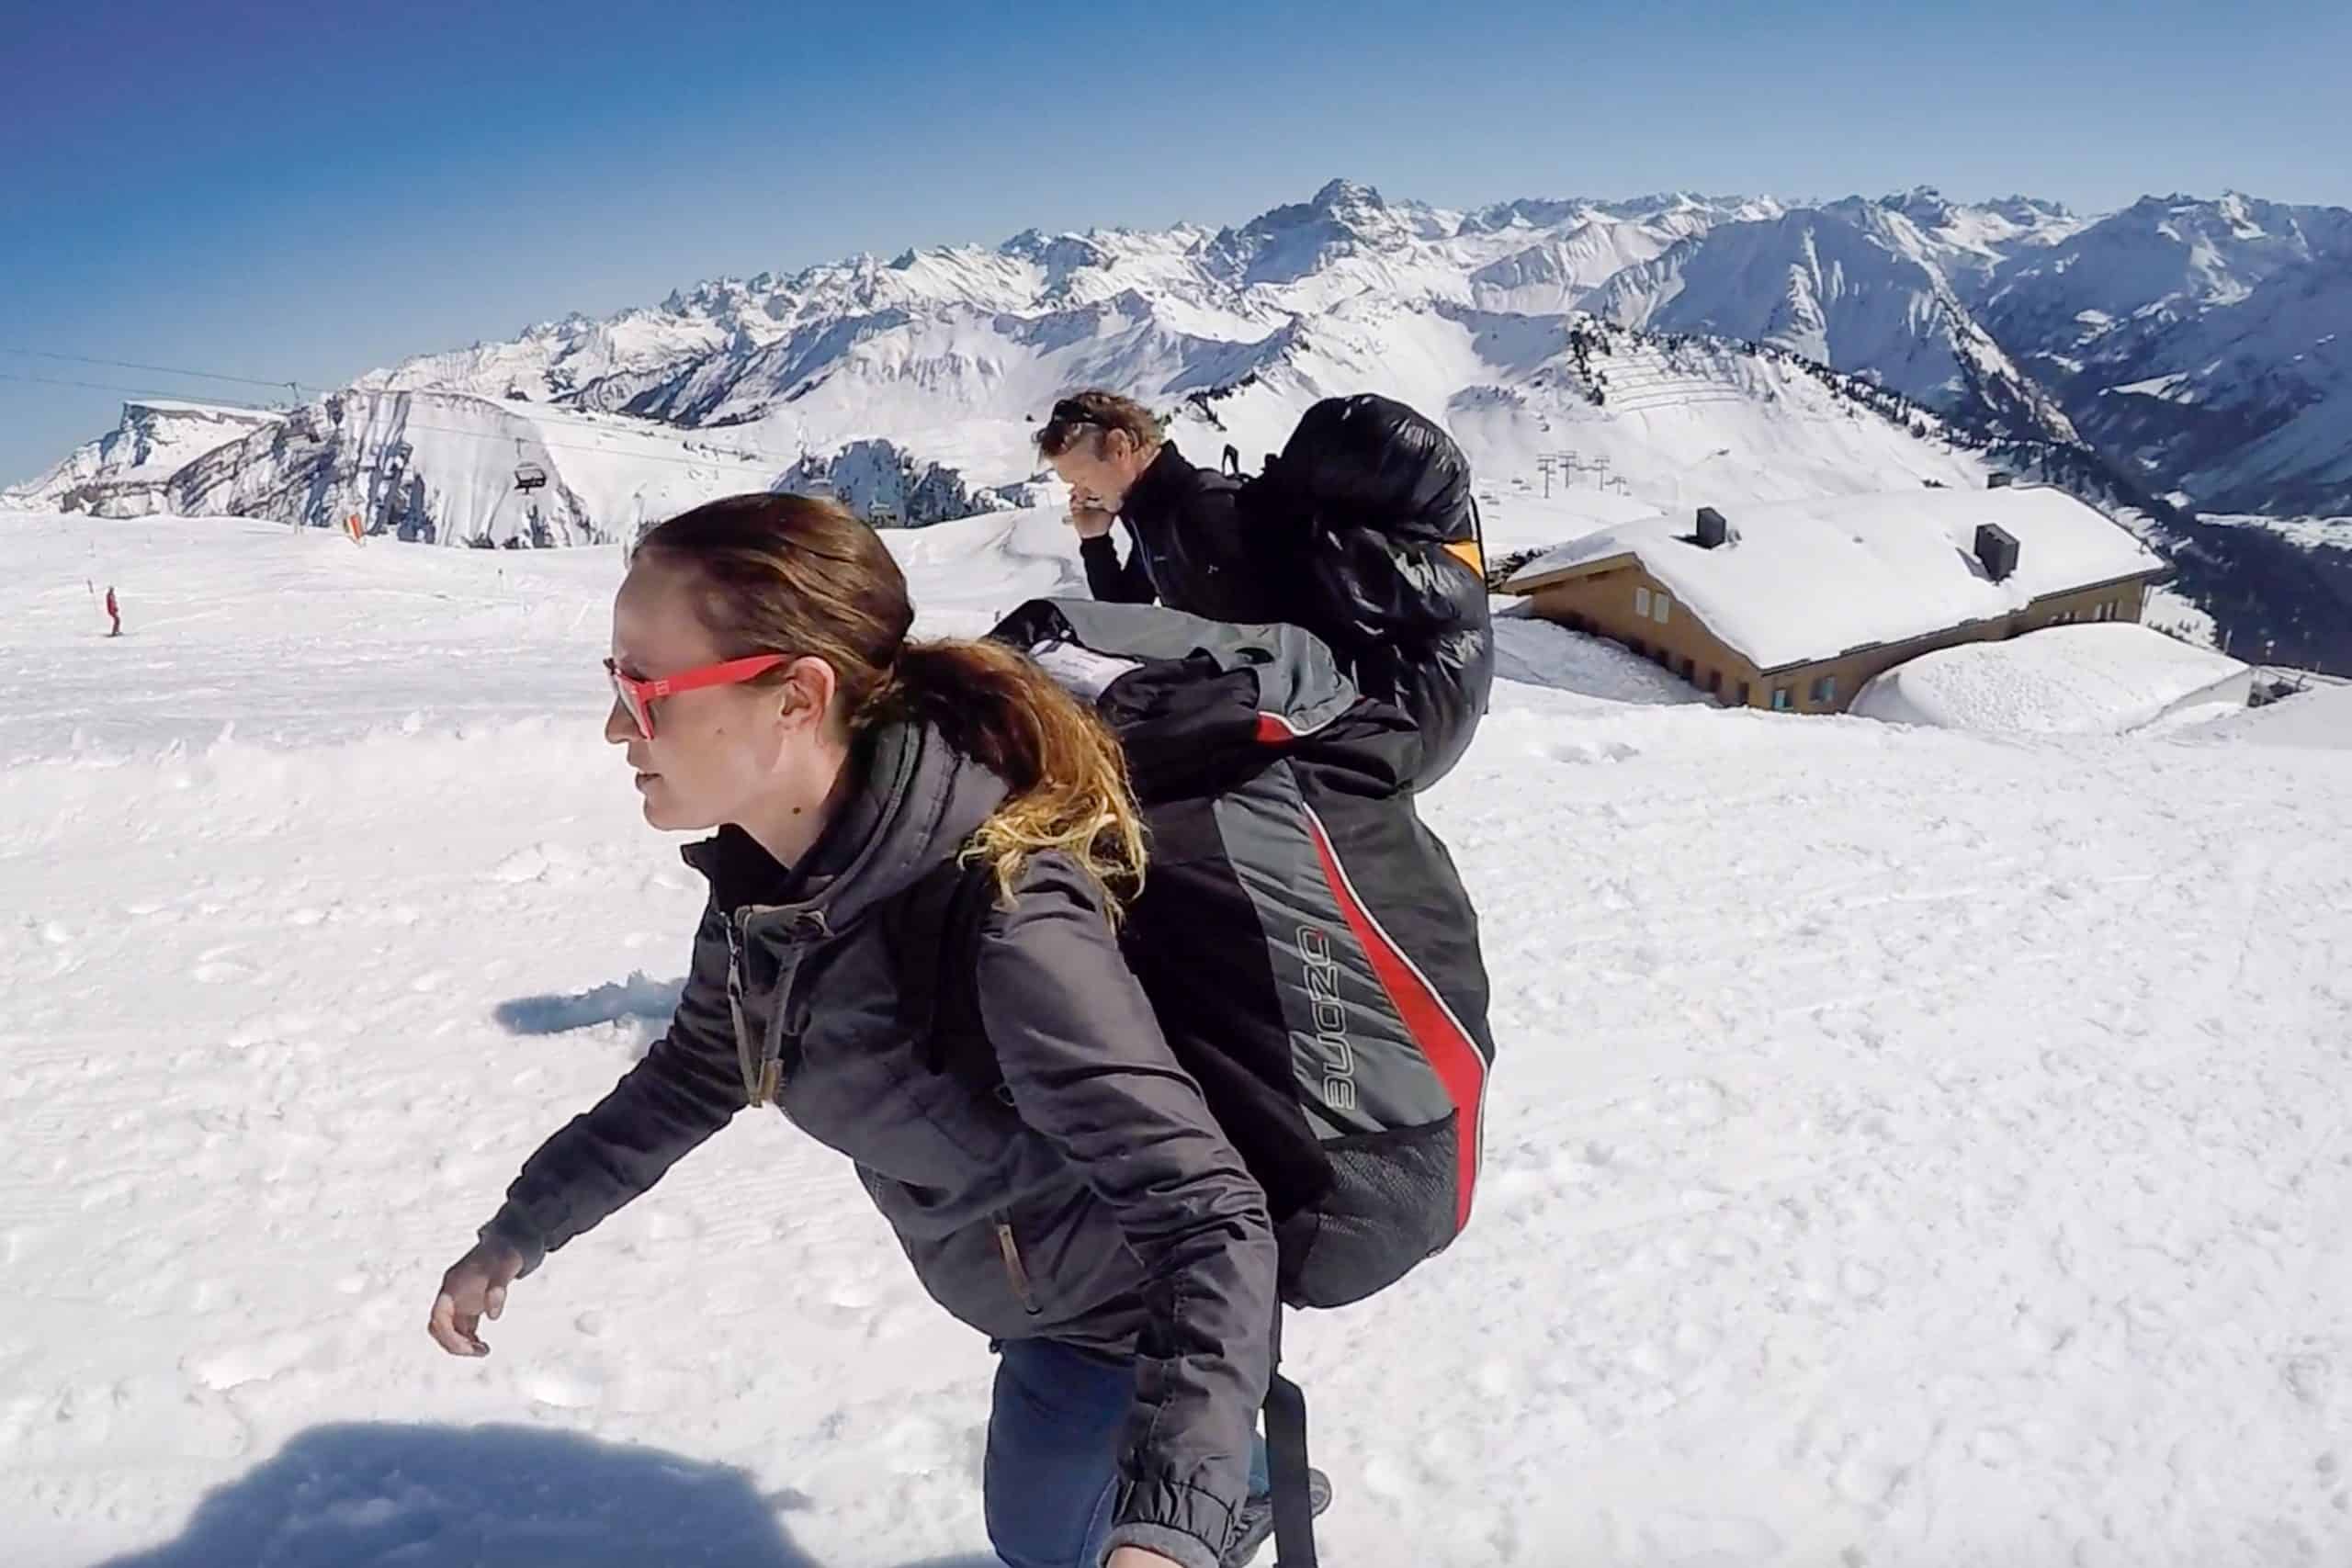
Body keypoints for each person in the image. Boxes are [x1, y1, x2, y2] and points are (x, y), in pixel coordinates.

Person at [429, 493, 1281, 1568]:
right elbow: (702, 1067)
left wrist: (1170, 1530)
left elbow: (1205, 1222)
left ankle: (1225, 1479)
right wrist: (524, 1226)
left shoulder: (1008, 925)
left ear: (798, 696)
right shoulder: (772, 880)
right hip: (1027, 1295)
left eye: (644, 691)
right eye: (615, 684)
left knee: (1066, 1542)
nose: (615, 727)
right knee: (1037, 1531)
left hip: (1126, 1319)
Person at [1037, 392, 1294, 628]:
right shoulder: (1153, 515)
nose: (1078, 494)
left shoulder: (1200, 511)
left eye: (1081, 478)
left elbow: (1257, 633)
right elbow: (1125, 618)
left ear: (1120, 447)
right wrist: (1095, 541)